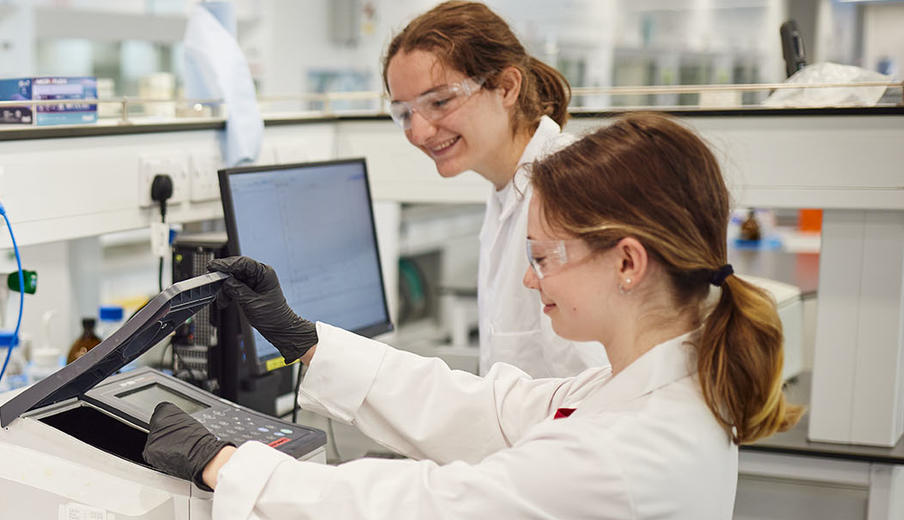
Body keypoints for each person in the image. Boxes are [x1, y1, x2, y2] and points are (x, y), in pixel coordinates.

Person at [141, 113, 804, 518]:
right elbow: (493, 412)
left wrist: (227, 464)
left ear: (628, 263)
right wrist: (305, 339)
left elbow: (431, 508)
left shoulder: (626, 453)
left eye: (544, 256)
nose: (527, 277)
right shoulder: (643, 386)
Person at [383, 1, 604, 376]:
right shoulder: (507, 190)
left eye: (439, 101)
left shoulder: (569, 194)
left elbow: (601, 389)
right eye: (404, 113)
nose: (418, 133)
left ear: (506, 87)